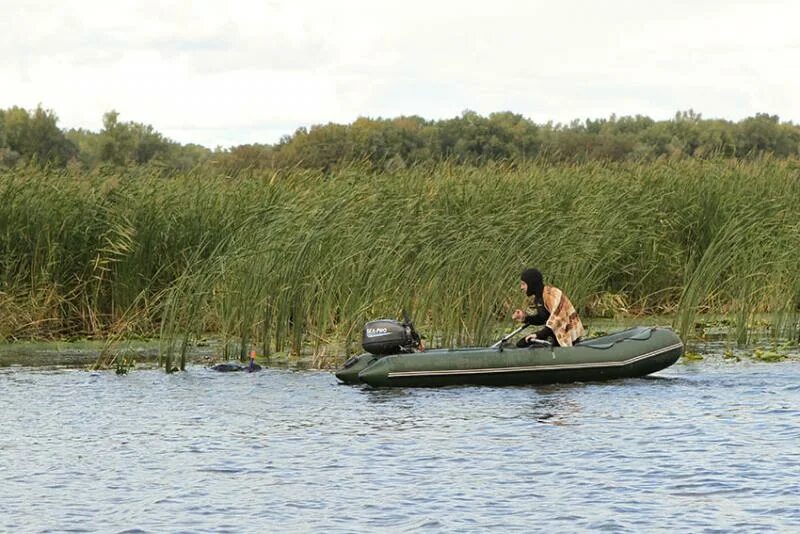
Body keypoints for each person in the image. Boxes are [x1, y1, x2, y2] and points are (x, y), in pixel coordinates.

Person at [512, 268, 585, 347]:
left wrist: (538, 335)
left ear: (531, 283)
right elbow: (542, 318)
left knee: (530, 344)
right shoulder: (538, 298)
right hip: (555, 333)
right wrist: (525, 318)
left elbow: (557, 319)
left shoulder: (552, 294)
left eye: (523, 284)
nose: (521, 287)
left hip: (569, 336)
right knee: (521, 344)